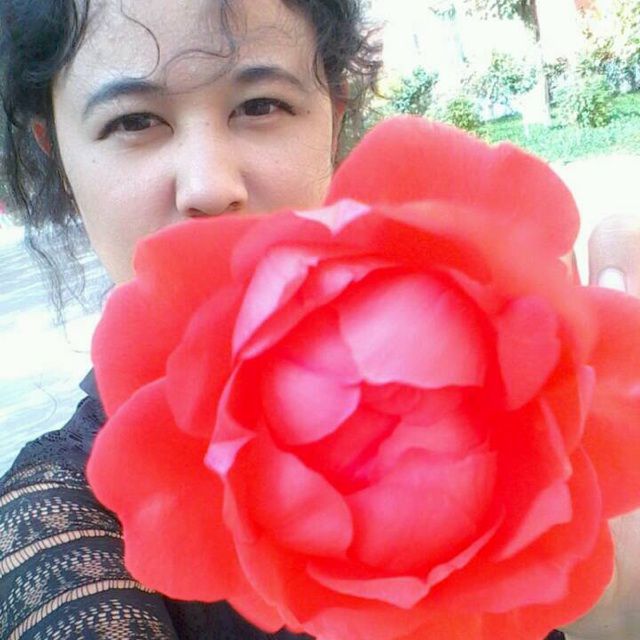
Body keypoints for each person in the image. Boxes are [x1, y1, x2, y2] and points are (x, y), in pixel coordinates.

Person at [0, 1, 637, 639]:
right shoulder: (54, 527)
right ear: (54, 149)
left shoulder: (566, 380)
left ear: (334, 115)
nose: (209, 185)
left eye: (260, 105)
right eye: (133, 120)